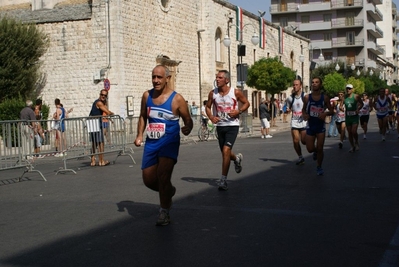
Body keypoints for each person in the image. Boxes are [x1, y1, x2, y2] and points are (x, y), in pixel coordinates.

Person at [134, 65, 193, 226]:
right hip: (152, 142)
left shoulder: (177, 99)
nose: (155, 80)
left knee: (163, 175)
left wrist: (188, 127)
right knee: (148, 179)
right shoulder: (147, 96)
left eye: (159, 77)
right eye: (153, 77)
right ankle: (169, 191)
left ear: (167, 78)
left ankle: (164, 212)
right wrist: (139, 134)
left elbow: (188, 120)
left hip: (169, 141)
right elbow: (142, 116)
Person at [205, 70, 250, 191]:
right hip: (220, 126)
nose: (217, 79)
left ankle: (223, 180)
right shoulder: (212, 94)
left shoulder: (235, 92)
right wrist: (211, 117)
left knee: (226, 150)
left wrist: (238, 111)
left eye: (220, 77)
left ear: (227, 80)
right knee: (225, 153)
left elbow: (246, 103)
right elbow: (207, 107)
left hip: (232, 125)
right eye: (216, 77)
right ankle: (236, 159)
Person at [302, 77, 333, 176]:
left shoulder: (325, 98)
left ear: (320, 84)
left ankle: (319, 166)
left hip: (320, 127)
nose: (314, 84)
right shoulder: (307, 97)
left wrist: (325, 114)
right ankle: (315, 152)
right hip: (311, 126)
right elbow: (303, 110)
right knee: (310, 149)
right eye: (313, 82)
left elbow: (332, 111)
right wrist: (305, 115)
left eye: (317, 82)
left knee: (320, 148)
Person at [89, 89, 114, 166]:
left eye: (105, 95)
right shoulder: (99, 103)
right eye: (102, 95)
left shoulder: (99, 102)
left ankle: (93, 161)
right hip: (96, 123)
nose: (103, 96)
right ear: (99, 95)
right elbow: (107, 112)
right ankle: (101, 161)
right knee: (101, 143)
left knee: (95, 143)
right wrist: (112, 113)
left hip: (92, 123)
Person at [286, 79, 307, 165]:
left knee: (304, 141)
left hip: (303, 121)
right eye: (294, 85)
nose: (295, 86)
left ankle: (314, 148)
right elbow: (288, 108)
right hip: (294, 121)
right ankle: (300, 157)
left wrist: (306, 114)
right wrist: (287, 110)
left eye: (296, 85)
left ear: (300, 86)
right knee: (295, 140)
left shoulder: (305, 96)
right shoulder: (290, 98)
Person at [344, 84, 363, 153]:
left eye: (349, 89)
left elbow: (361, 104)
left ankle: (357, 142)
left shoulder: (356, 96)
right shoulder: (345, 97)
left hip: (355, 116)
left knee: (354, 131)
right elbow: (341, 104)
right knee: (349, 132)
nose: (348, 90)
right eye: (347, 89)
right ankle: (352, 146)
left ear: (352, 89)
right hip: (348, 117)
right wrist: (340, 108)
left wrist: (358, 109)